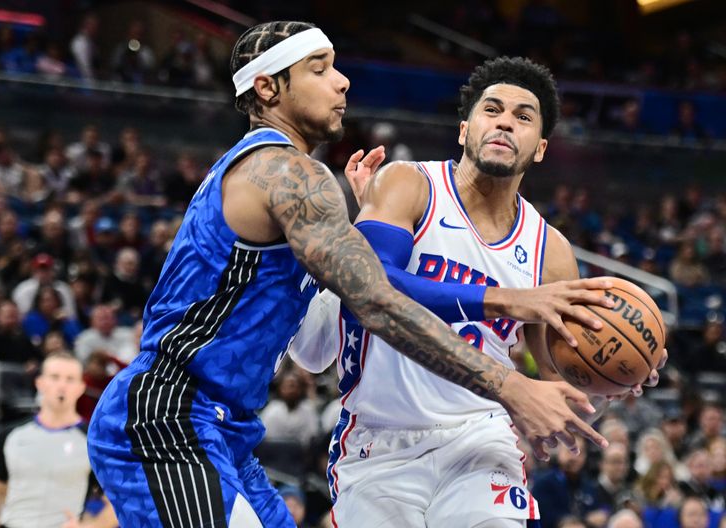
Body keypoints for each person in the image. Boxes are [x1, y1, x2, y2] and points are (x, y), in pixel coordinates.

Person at [87, 22, 614, 528]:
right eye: (320, 69)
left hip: (224, 428)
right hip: (169, 414)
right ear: (269, 88)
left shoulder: (297, 183)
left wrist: (614, 371)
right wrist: (509, 372)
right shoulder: (292, 174)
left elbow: (318, 343)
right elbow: (378, 301)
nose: (342, 81)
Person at [290, 56, 665, 527]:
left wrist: (615, 374)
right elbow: (370, 285)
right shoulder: (410, 184)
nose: (506, 121)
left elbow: (554, 382)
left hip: (481, 438)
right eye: (492, 110)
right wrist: (504, 299)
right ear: (465, 130)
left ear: (542, 147)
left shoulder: (551, 252)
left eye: (523, 117)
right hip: (380, 439)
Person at [0, 353, 117, 528]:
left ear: (81, 387)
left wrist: (89, 527)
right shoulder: (11, 435)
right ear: (40, 383)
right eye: (55, 377)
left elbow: (119, 504)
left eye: (70, 379)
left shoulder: (93, 443)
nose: (62, 386)